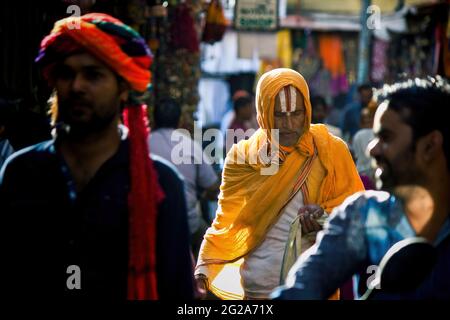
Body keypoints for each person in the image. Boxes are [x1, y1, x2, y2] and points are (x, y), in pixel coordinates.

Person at [0, 13, 194, 300]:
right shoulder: (22, 172)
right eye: (66, 74)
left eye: (93, 75)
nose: (77, 86)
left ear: (124, 88)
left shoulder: (161, 184)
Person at [272, 76, 450, 300]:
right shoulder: (364, 216)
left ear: (430, 146)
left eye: (386, 137)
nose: (372, 150)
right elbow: (300, 291)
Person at [195, 68, 363, 300]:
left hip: (314, 282)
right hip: (259, 283)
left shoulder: (331, 150)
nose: (288, 124)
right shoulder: (242, 156)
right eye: (279, 115)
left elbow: (355, 212)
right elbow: (227, 218)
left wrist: (323, 216)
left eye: (296, 113)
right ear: (263, 113)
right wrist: (204, 264)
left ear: (307, 111)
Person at [149, 97, 220, 257]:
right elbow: (212, 186)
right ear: (180, 120)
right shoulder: (190, 145)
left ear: (153, 119)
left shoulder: (144, 143)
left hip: (151, 222)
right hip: (186, 223)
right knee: (210, 242)